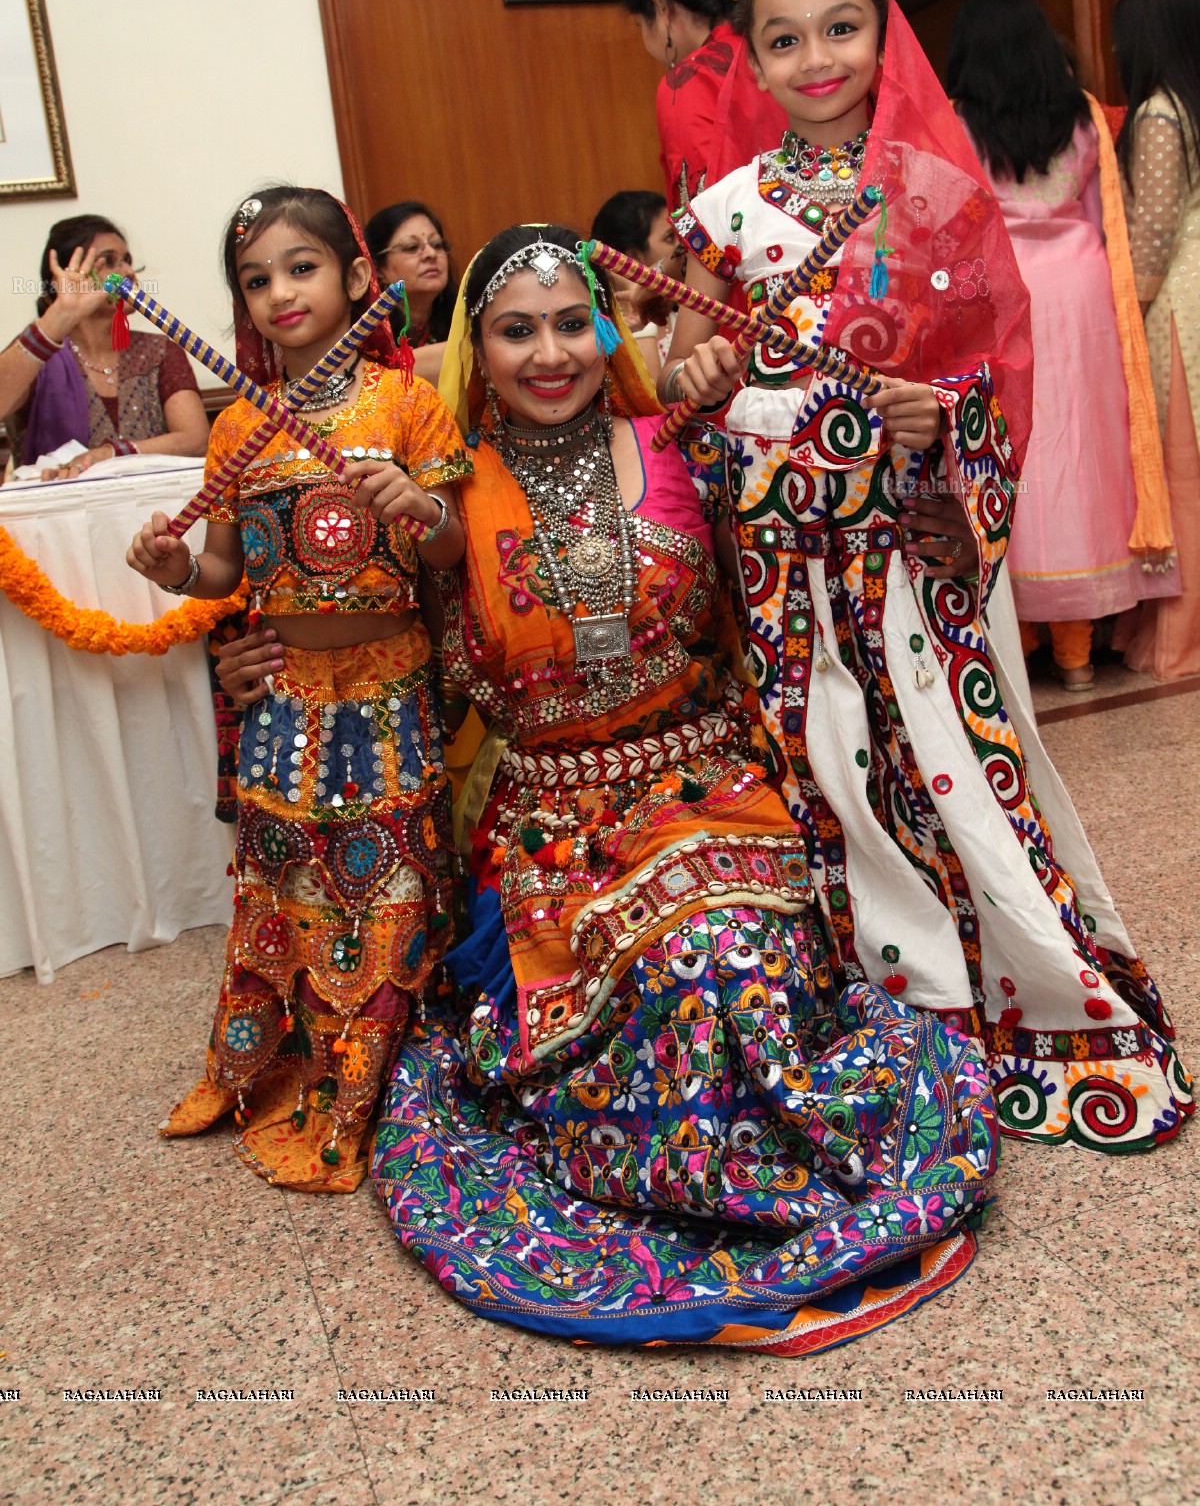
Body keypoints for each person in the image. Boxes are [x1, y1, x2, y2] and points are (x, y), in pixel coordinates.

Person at [350, 222, 992, 1352]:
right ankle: (688, 1177)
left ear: (610, 331)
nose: (549, 353)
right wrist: (254, 645)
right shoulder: (442, 496)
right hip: (551, 827)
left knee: (727, 951)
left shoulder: (685, 446)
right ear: (476, 351)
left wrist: (916, 431)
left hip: (713, 789)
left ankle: (763, 1157)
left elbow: (833, 523)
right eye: (515, 331)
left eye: (570, 323)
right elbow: (361, 646)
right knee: (663, 973)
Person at [663, 0, 1191, 1152]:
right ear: (754, 55)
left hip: (911, 545)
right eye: (784, 39)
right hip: (782, 553)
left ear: (883, 33)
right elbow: (680, 384)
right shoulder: (721, 215)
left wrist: (939, 416)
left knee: (947, 754)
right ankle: (866, 1007)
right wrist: (696, 369)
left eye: (840, 28)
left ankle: (995, 1001)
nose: (814, 58)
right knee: (823, 766)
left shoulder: (938, 194)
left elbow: (998, 378)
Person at [126, 185, 471, 1191]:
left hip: (391, 688)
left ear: (359, 280)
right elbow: (228, 574)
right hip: (285, 696)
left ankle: (379, 1075)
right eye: (256, 277)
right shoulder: (239, 426)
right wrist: (175, 573)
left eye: (302, 266)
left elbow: (453, 553)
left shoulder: (405, 401)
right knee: (290, 877)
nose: (280, 291)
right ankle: (297, 1056)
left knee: (392, 876)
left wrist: (417, 506)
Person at [947, 0, 1176, 689]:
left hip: (1004, 294)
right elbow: (1104, 212)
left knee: (1018, 455)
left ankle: (1025, 641)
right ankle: (1080, 652)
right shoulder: (1081, 115)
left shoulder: (957, 123)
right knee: (1084, 452)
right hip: (1083, 293)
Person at [1112, 0, 1200, 679]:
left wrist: (1125, 315)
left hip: (1183, 299)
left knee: (1182, 470)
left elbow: (1153, 233)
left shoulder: (1161, 114)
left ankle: (1184, 626)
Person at [0, 214, 209, 476]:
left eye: (128, 261)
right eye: (110, 261)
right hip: (58, 513)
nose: (128, 273)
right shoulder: (37, 355)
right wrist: (59, 317)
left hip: (156, 514)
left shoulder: (160, 352)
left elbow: (196, 439)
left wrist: (111, 453)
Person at [623, 0, 786, 211]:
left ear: (660, 4)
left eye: (639, 23)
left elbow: (705, 215)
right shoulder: (780, 43)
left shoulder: (686, 83)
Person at [589, 189, 679, 378]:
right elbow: (652, 403)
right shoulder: (603, 335)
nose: (683, 246)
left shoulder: (687, 310)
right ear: (634, 258)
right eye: (670, 237)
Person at [364, 200, 455, 386]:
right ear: (378, 268)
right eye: (412, 247)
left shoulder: (465, 317)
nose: (430, 253)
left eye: (437, 244)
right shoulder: (368, 335)